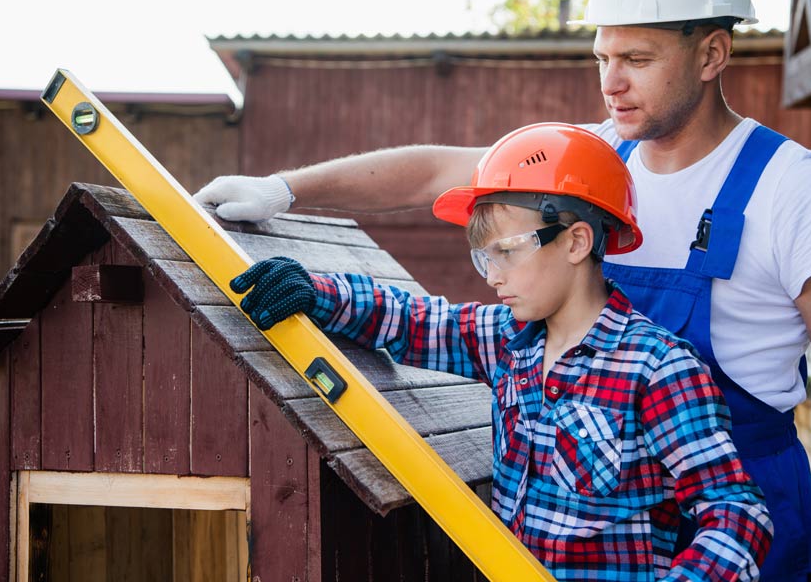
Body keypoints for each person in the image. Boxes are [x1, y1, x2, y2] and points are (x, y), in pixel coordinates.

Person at [194, 0, 811, 579]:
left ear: (712, 54)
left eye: (638, 60)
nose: (611, 84)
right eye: (602, 58)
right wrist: (284, 189)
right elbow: (430, 182)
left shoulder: (795, 193)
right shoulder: (586, 166)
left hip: (749, 552)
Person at [228, 122, 773, 581]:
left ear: (577, 242)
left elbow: (737, 514)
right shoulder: (506, 342)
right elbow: (416, 319)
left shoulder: (659, 370)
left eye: (507, 252)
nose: (493, 277)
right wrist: (315, 292)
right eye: (483, 259)